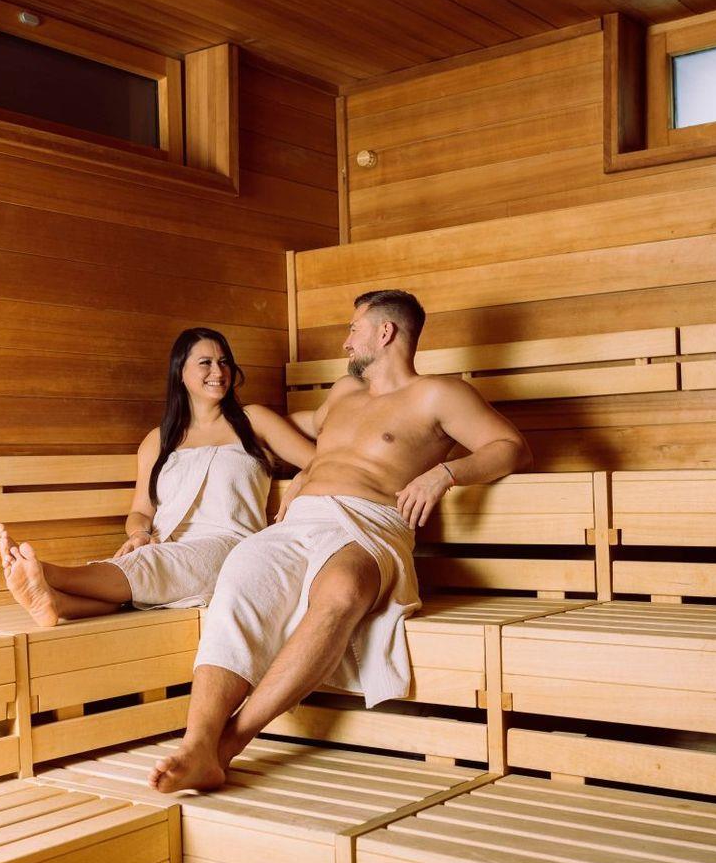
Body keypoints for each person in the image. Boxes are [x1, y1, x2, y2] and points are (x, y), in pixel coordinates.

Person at [149, 289, 529, 793]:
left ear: (384, 332)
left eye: (354, 329)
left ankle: (228, 745)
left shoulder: (438, 394)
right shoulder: (344, 392)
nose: (347, 342)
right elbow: (287, 431)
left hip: (369, 523)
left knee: (344, 590)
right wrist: (298, 471)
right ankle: (196, 742)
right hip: (299, 520)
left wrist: (444, 474)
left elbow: (510, 446)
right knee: (237, 579)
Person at [0, 328, 314, 626]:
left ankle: (47, 574)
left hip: (231, 548)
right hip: (166, 545)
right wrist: (139, 535)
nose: (218, 371)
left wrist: (301, 478)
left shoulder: (253, 420)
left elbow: (321, 461)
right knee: (152, 563)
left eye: (224, 362)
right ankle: (55, 602)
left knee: (156, 564)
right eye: (205, 363)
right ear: (180, 372)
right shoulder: (158, 440)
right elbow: (141, 511)